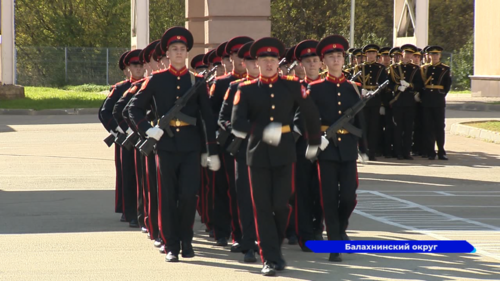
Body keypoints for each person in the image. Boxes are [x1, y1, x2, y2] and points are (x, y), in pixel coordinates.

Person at [128, 26, 220, 262]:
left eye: (182, 49)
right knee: (168, 196)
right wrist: (148, 129)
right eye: (174, 49)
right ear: (167, 53)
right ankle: (171, 245)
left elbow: (207, 118)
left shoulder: (197, 81)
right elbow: (133, 108)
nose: (179, 53)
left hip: (190, 146)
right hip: (166, 146)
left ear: (186, 53)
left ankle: (186, 241)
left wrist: (210, 151)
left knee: (189, 195)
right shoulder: (156, 80)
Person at [231, 37, 321, 276]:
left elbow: (310, 112)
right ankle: (269, 257)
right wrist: (261, 130)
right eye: (264, 60)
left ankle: (274, 246)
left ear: (278, 63)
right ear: (257, 63)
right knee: (261, 207)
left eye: (272, 60)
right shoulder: (245, 89)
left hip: (284, 154)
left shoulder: (292, 85)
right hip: (257, 155)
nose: (269, 64)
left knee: (281, 206)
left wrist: (313, 142)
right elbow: (237, 123)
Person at [218, 40, 259, 262]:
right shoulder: (235, 86)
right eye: (250, 60)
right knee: (243, 197)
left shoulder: (279, 86)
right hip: (243, 149)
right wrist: (237, 131)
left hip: (271, 151)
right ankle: (248, 242)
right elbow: (222, 118)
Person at [209, 37, 252, 248]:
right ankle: (226, 232)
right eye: (237, 55)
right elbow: (213, 115)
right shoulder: (222, 83)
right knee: (226, 189)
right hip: (227, 143)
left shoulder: (257, 83)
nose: (241, 60)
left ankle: (249, 234)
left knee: (247, 192)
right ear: (231, 58)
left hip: (253, 144)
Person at [100, 49, 143, 227]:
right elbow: (105, 112)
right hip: (127, 139)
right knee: (128, 175)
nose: (139, 68)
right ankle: (130, 211)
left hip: (143, 135)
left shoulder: (149, 85)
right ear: (127, 68)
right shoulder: (120, 88)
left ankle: (143, 211)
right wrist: (119, 131)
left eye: (141, 65)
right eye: (135, 65)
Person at [291, 39, 324, 251]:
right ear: (301, 65)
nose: (311, 64)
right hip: (300, 147)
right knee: (301, 191)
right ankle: (304, 234)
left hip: (325, 145)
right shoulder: (293, 88)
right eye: (307, 61)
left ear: (321, 63)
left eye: (315, 60)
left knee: (321, 190)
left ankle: (317, 227)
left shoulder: (329, 86)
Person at [388, 44, 424, 160]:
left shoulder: (415, 69)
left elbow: (420, 85)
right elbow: (388, 83)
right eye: (406, 53)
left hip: (409, 101)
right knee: (398, 127)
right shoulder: (393, 68)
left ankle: (406, 152)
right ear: (401, 54)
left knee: (408, 128)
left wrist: (410, 85)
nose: (407, 55)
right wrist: (397, 87)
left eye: (410, 54)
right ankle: (398, 151)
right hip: (398, 101)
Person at [353, 44, 388, 161]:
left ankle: (371, 152)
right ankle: (363, 151)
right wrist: (360, 89)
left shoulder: (381, 68)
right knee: (363, 126)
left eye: (373, 53)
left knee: (374, 127)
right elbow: (353, 84)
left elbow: (385, 86)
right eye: (369, 53)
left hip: (375, 100)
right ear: (365, 55)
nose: (371, 55)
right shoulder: (359, 68)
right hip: (362, 100)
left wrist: (382, 103)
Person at [420, 45, 452, 160]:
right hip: (427, 100)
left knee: (439, 126)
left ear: (439, 56)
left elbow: (447, 85)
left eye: (436, 54)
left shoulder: (445, 69)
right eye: (432, 54)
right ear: (428, 56)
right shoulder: (424, 69)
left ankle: (441, 151)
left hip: (438, 100)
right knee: (428, 126)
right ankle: (430, 151)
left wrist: (441, 94)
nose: (434, 56)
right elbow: (421, 85)